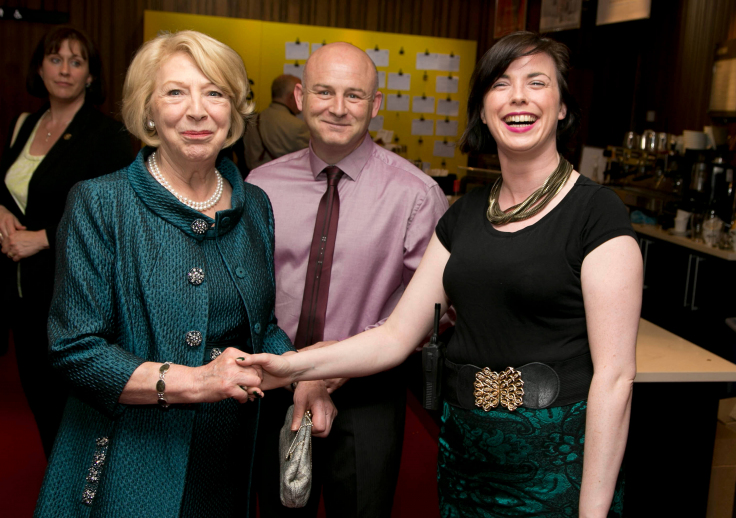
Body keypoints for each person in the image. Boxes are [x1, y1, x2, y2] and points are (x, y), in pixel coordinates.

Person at [240, 32, 642, 518]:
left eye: (536, 82)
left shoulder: (596, 213)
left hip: (556, 463)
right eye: (500, 84)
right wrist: (290, 366)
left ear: (561, 106)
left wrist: (593, 512)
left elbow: (616, 378)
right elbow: (394, 336)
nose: (517, 97)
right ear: (483, 108)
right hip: (466, 458)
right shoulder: (464, 216)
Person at [33, 30, 334, 518]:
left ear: (233, 112)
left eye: (214, 92)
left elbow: (259, 327)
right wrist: (196, 382)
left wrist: (300, 374)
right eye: (175, 91)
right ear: (148, 109)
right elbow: (75, 350)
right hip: (131, 461)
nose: (197, 110)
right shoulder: (100, 203)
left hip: (230, 457)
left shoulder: (254, 204)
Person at [247, 42, 449, 517]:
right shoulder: (259, 186)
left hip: (368, 395)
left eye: (354, 96)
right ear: (300, 96)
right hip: (273, 389)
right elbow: (246, 295)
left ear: (376, 104)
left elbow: (436, 315)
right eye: (324, 92)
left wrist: (330, 371)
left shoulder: (417, 196)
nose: (338, 108)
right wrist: (293, 371)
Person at [0, 25, 133, 457]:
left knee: (74, 412)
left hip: (73, 296)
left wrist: (44, 238)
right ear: (40, 68)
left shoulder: (106, 135)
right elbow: (4, 189)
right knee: (40, 403)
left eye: (76, 61)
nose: (64, 69)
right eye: (55, 58)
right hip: (22, 292)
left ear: (91, 75)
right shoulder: (25, 124)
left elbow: (117, 217)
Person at [243, 74, 310, 170]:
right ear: (291, 97)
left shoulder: (253, 120)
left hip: (251, 180)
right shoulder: (299, 127)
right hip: (282, 182)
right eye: (301, 95)